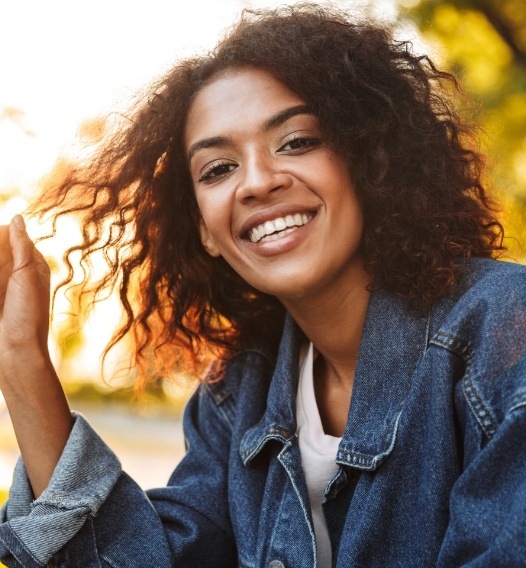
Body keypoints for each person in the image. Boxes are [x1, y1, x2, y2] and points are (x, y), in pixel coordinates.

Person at [0, 4, 525, 567]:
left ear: (368, 159)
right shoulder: (235, 395)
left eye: (296, 141)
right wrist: (19, 356)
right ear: (203, 227)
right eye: (218, 169)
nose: (256, 182)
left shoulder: (504, 331)